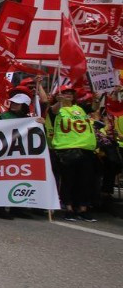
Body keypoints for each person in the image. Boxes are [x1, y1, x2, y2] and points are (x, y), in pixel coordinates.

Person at [47, 86, 99, 221]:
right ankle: (68, 208)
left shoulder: (80, 108)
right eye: (65, 93)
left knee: (85, 180)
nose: (68, 95)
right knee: (68, 180)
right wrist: (59, 102)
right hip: (66, 149)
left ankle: (83, 208)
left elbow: (93, 107)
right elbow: (53, 111)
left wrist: (97, 98)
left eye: (71, 93)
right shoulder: (57, 109)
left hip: (85, 148)